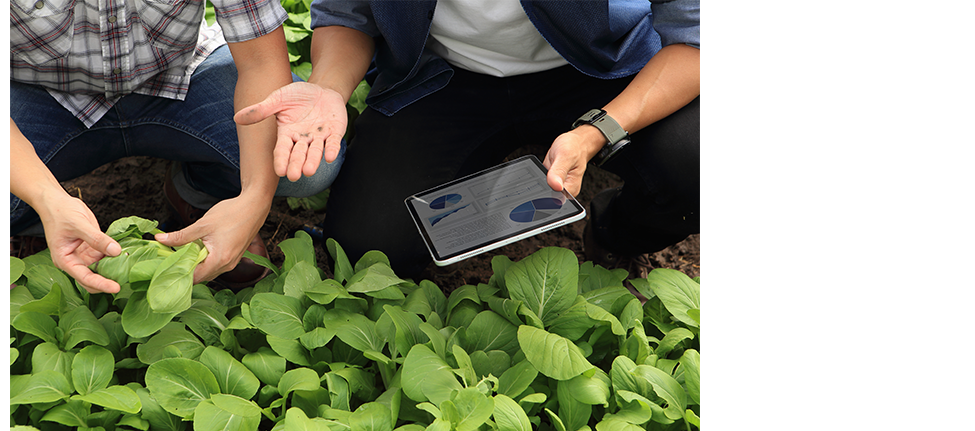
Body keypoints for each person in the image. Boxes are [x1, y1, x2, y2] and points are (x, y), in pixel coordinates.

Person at [235, 0, 699, 279]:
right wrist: (330, 88)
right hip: (446, 77)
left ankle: (614, 231)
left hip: (594, 68)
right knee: (370, 246)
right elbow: (348, 15)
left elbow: (697, 38)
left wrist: (598, 129)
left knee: (697, 163)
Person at [10, 0, 345, 293]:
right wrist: (45, 198)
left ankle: (199, 192)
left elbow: (260, 61)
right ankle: (39, 221)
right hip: (39, 94)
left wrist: (254, 197)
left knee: (302, 159)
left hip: (178, 76)